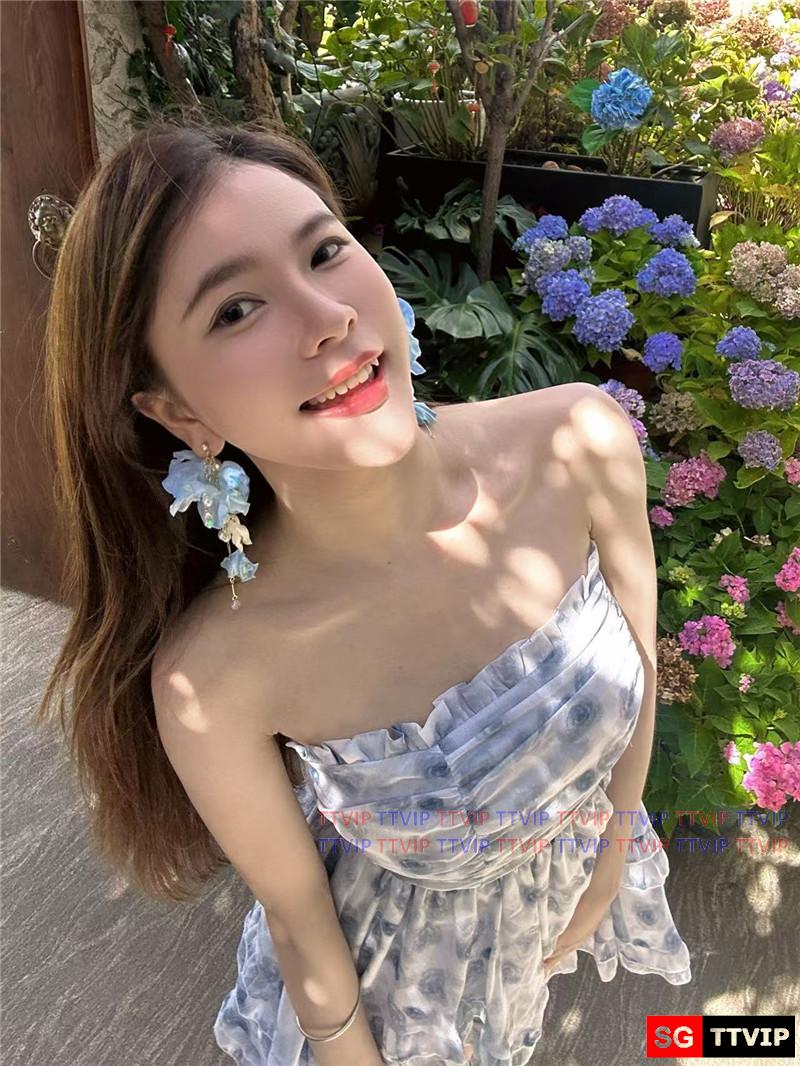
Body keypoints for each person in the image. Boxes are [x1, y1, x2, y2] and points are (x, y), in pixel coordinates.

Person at [37, 119, 691, 1066]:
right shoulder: (217, 676)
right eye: (236, 309)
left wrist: (613, 852)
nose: (327, 318)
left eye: (324, 252)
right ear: (178, 411)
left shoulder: (579, 440)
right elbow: (305, 932)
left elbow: (639, 659)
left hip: (537, 939)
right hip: (401, 1009)